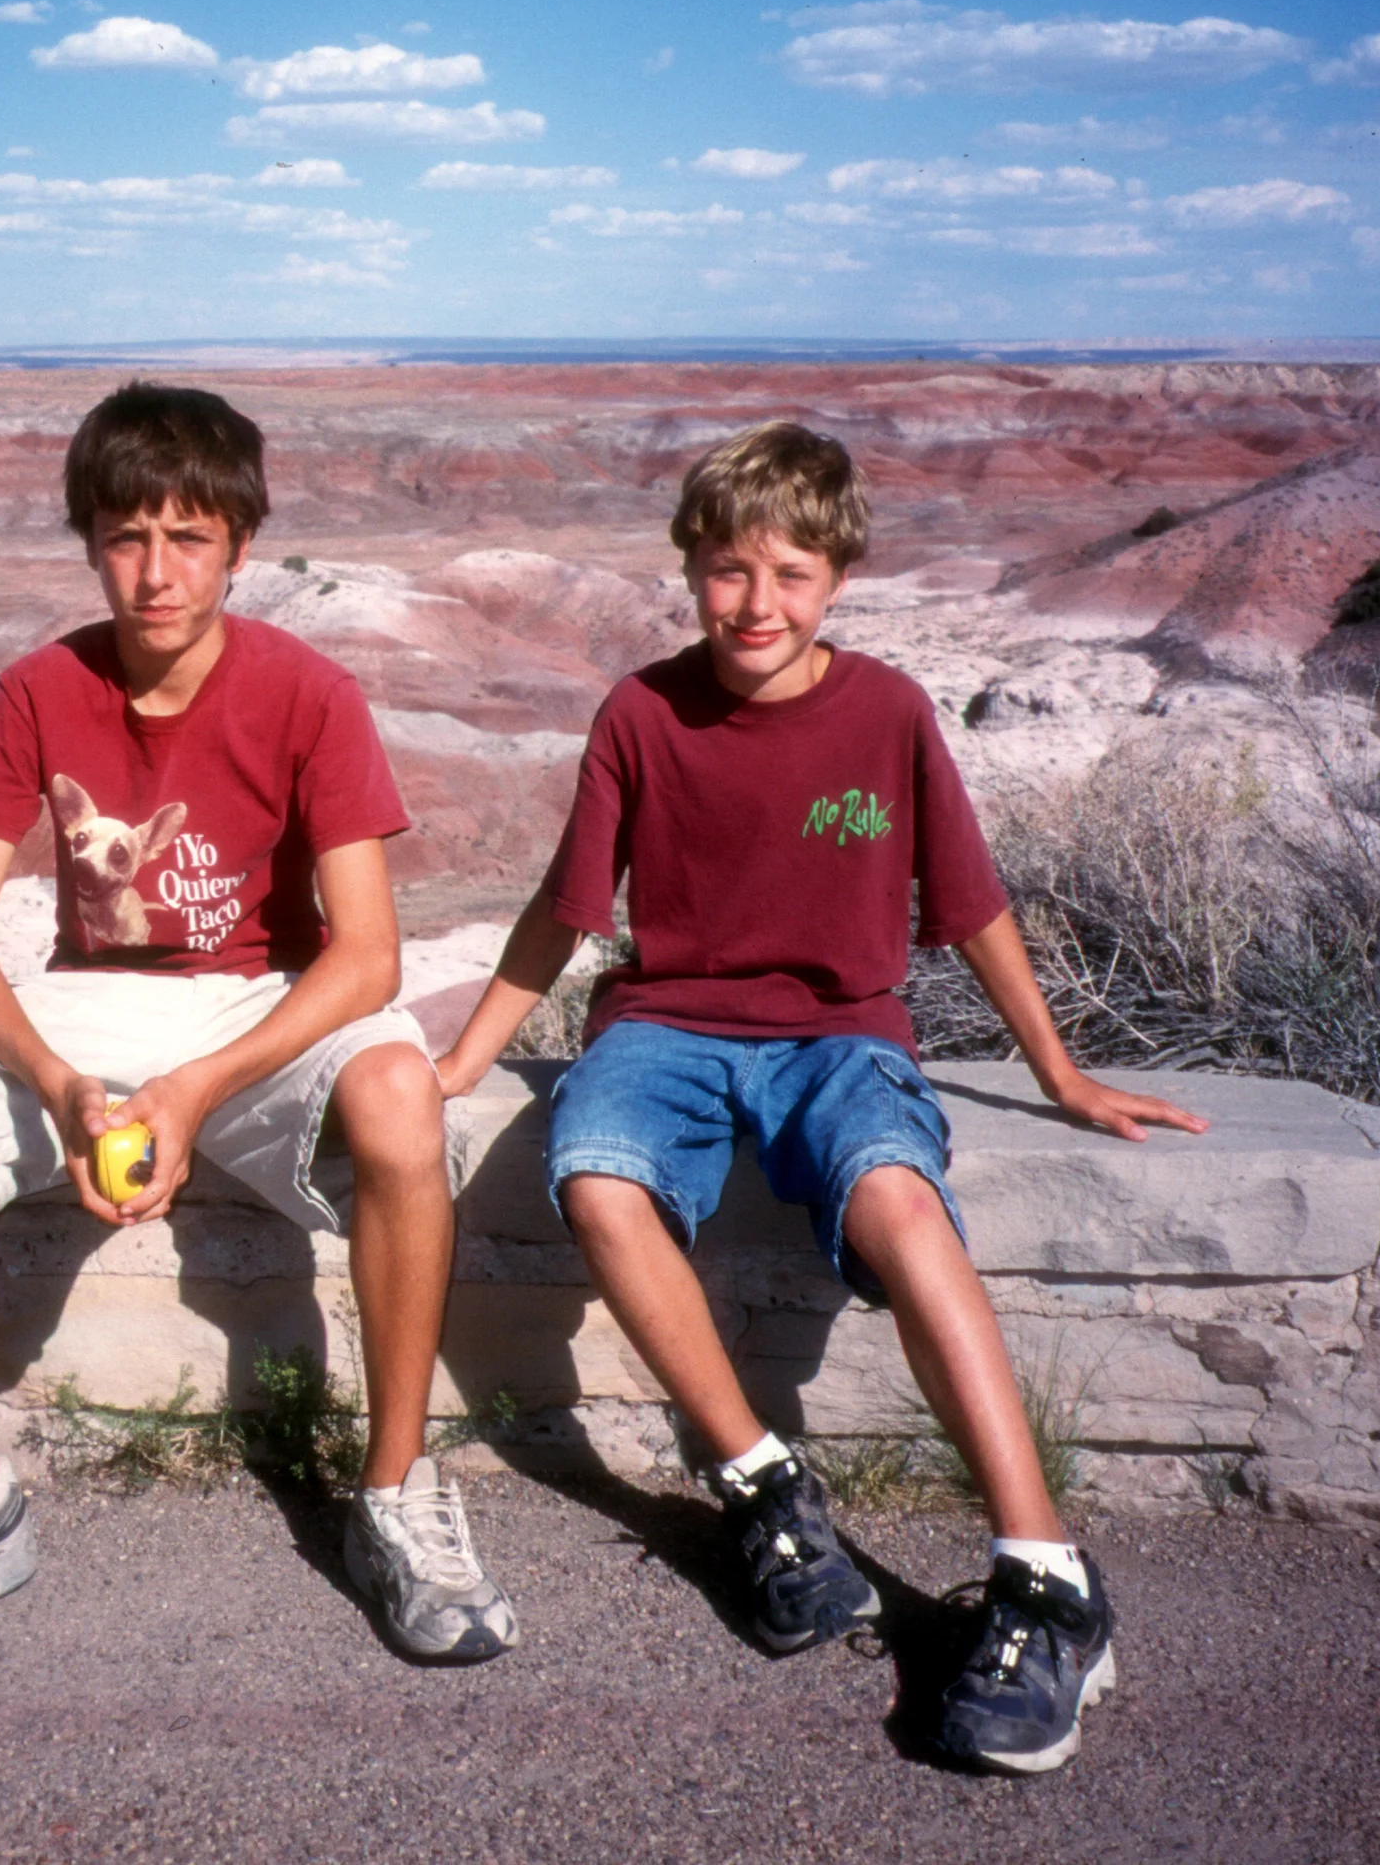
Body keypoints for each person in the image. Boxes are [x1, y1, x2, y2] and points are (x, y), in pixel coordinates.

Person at [431, 420, 1207, 1773]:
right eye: (729, 570)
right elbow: (567, 908)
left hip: (842, 1035)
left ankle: (1047, 1575)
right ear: (691, 567)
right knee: (598, 1175)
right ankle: (761, 1483)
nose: (757, 603)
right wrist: (459, 1062)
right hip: (666, 1024)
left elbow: (970, 903)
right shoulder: (641, 712)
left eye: (791, 574)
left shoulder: (888, 712)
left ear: (837, 578)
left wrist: (1057, 1068)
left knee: (901, 1201)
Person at [0, 382, 513, 1664]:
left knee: (401, 1095)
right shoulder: (38, 688)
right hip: (92, 998)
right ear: (89, 542)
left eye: (189, 537)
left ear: (241, 543)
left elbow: (367, 954)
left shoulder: (311, 693)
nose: (157, 572)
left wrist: (194, 1085)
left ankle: (396, 1491)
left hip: (263, 998)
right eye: (126, 536)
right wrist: (60, 1081)